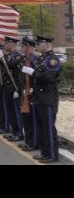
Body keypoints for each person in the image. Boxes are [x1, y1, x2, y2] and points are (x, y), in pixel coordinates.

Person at [22, 35, 61, 163]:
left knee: (49, 127)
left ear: (47, 44)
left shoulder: (53, 60)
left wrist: (32, 72)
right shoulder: (41, 59)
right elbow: (36, 79)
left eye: (39, 43)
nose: (37, 46)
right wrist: (31, 87)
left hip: (48, 98)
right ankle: (45, 152)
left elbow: (48, 78)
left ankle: (52, 155)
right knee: (42, 127)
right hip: (38, 97)